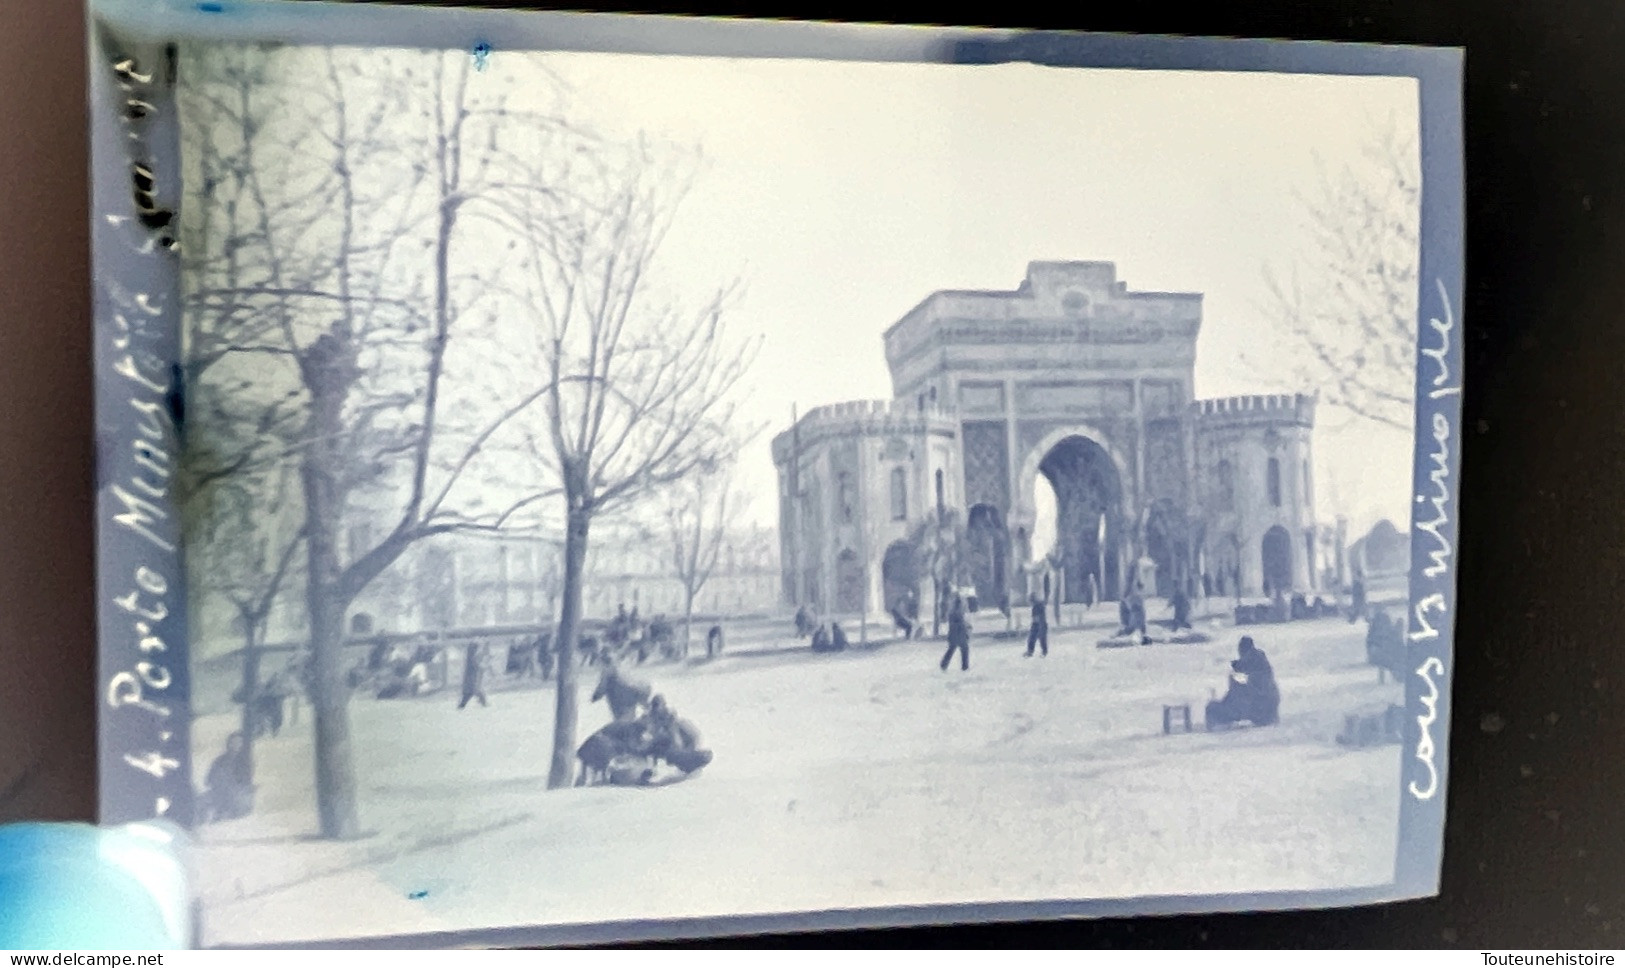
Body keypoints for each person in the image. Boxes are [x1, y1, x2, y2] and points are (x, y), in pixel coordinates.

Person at [1205, 636, 1281, 729]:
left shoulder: (1258, 669)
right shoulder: (1257, 663)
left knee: (1213, 709)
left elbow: (1254, 690)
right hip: (1261, 707)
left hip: (1259, 708)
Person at [642, 695, 714, 775]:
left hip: (677, 748)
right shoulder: (650, 721)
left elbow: (692, 738)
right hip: (666, 744)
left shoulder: (680, 728)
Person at [199, 732, 253, 824]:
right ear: (228, 744)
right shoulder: (219, 761)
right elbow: (208, 780)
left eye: (239, 742)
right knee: (199, 802)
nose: (235, 745)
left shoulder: (244, 763)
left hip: (236, 796)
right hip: (217, 792)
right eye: (233, 742)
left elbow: (244, 782)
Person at [940, 595, 971, 672]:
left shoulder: (952, 612)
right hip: (960, 632)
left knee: (953, 648)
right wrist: (967, 629)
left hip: (954, 632)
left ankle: (944, 664)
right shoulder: (958, 613)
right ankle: (965, 666)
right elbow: (962, 622)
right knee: (964, 649)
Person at [458, 642, 490, 709]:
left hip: (471, 679)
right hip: (471, 680)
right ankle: (485, 705)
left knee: (469, 693)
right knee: (475, 692)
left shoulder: (471, 657)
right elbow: (476, 666)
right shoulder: (471, 658)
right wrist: (483, 667)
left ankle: (461, 706)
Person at [1025, 593, 1049, 658]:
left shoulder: (1036, 606)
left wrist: (1033, 625)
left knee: (1037, 638)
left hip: (1039, 624)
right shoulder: (1040, 605)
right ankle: (1042, 651)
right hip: (1041, 624)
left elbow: (1036, 618)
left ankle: (1032, 652)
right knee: (1039, 639)